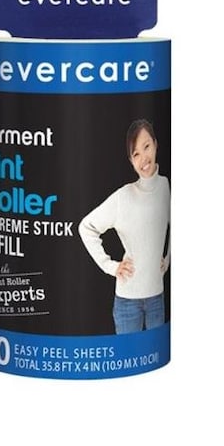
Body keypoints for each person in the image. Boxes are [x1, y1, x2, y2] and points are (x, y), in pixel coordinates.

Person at [78, 119, 170, 334]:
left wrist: (167, 260)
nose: (143, 158)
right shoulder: (124, 197)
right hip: (128, 303)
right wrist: (111, 266)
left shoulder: (166, 186)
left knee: (154, 351)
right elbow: (86, 227)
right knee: (128, 353)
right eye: (136, 154)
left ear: (156, 144)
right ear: (131, 161)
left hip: (157, 298)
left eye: (146, 146)